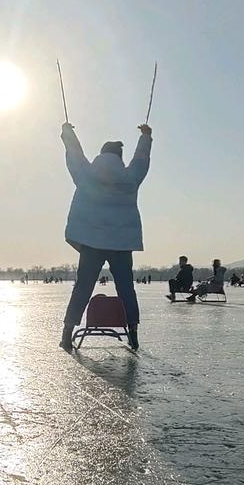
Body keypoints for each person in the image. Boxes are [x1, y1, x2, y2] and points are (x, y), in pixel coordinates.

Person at [59, 120, 152, 351]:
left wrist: (68, 133)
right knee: (126, 287)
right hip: (121, 244)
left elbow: (75, 155)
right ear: (120, 157)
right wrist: (146, 137)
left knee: (83, 287)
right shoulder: (130, 178)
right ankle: (133, 332)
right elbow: (141, 161)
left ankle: (67, 332)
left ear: (101, 154)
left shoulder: (87, 174)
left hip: (92, 241)